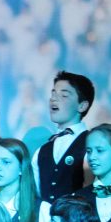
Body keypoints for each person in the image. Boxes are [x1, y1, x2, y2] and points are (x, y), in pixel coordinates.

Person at [33, 72, 94, 204]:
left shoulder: (91, 144)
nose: (53, 99)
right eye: (53, 94)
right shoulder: (42, 151)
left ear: (82, 106)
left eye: (64, 95)